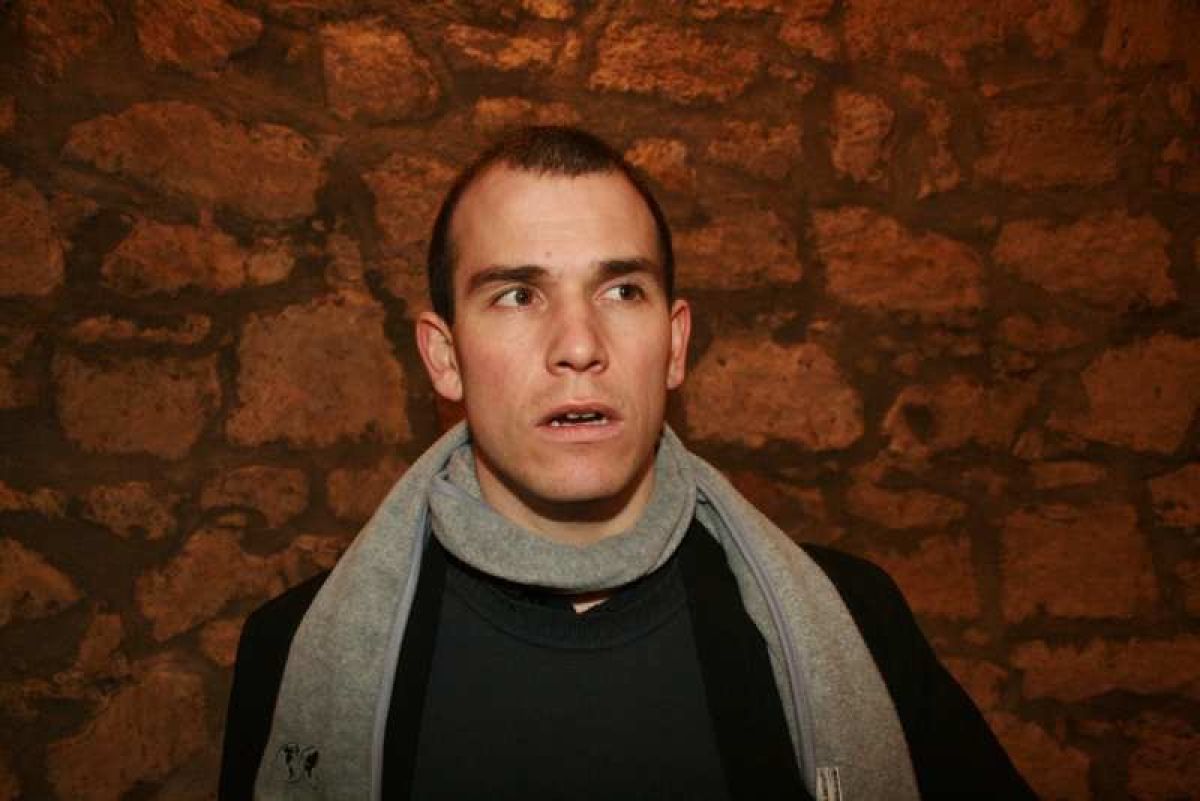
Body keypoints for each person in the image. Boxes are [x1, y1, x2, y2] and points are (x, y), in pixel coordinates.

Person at [219, 126, 1034, 800]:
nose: (579, 345)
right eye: (517, 294)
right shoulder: (298, 657)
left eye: (621, 291)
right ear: (445, 358)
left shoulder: (859, 623)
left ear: (674, 345)